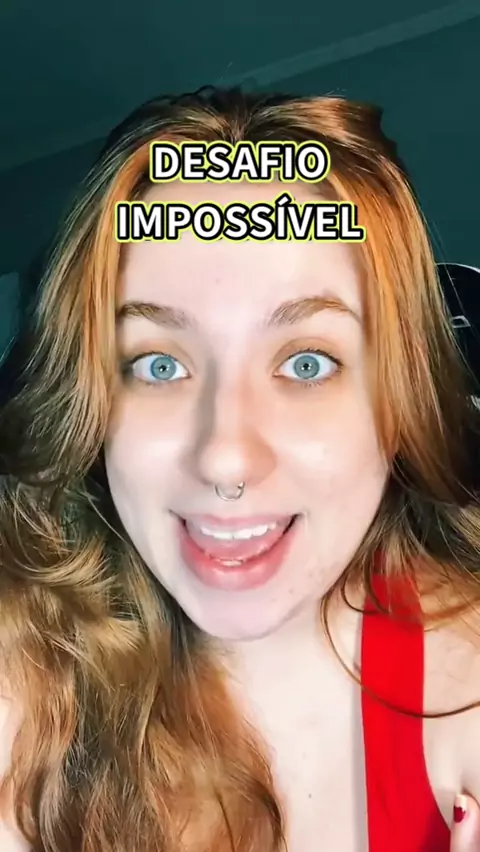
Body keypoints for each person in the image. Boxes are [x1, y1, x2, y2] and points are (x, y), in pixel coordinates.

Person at [0, 87, 480, 852]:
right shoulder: (27, 676)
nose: (225, 456)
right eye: (158, 365)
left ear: (398, 404)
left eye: (307, 362)